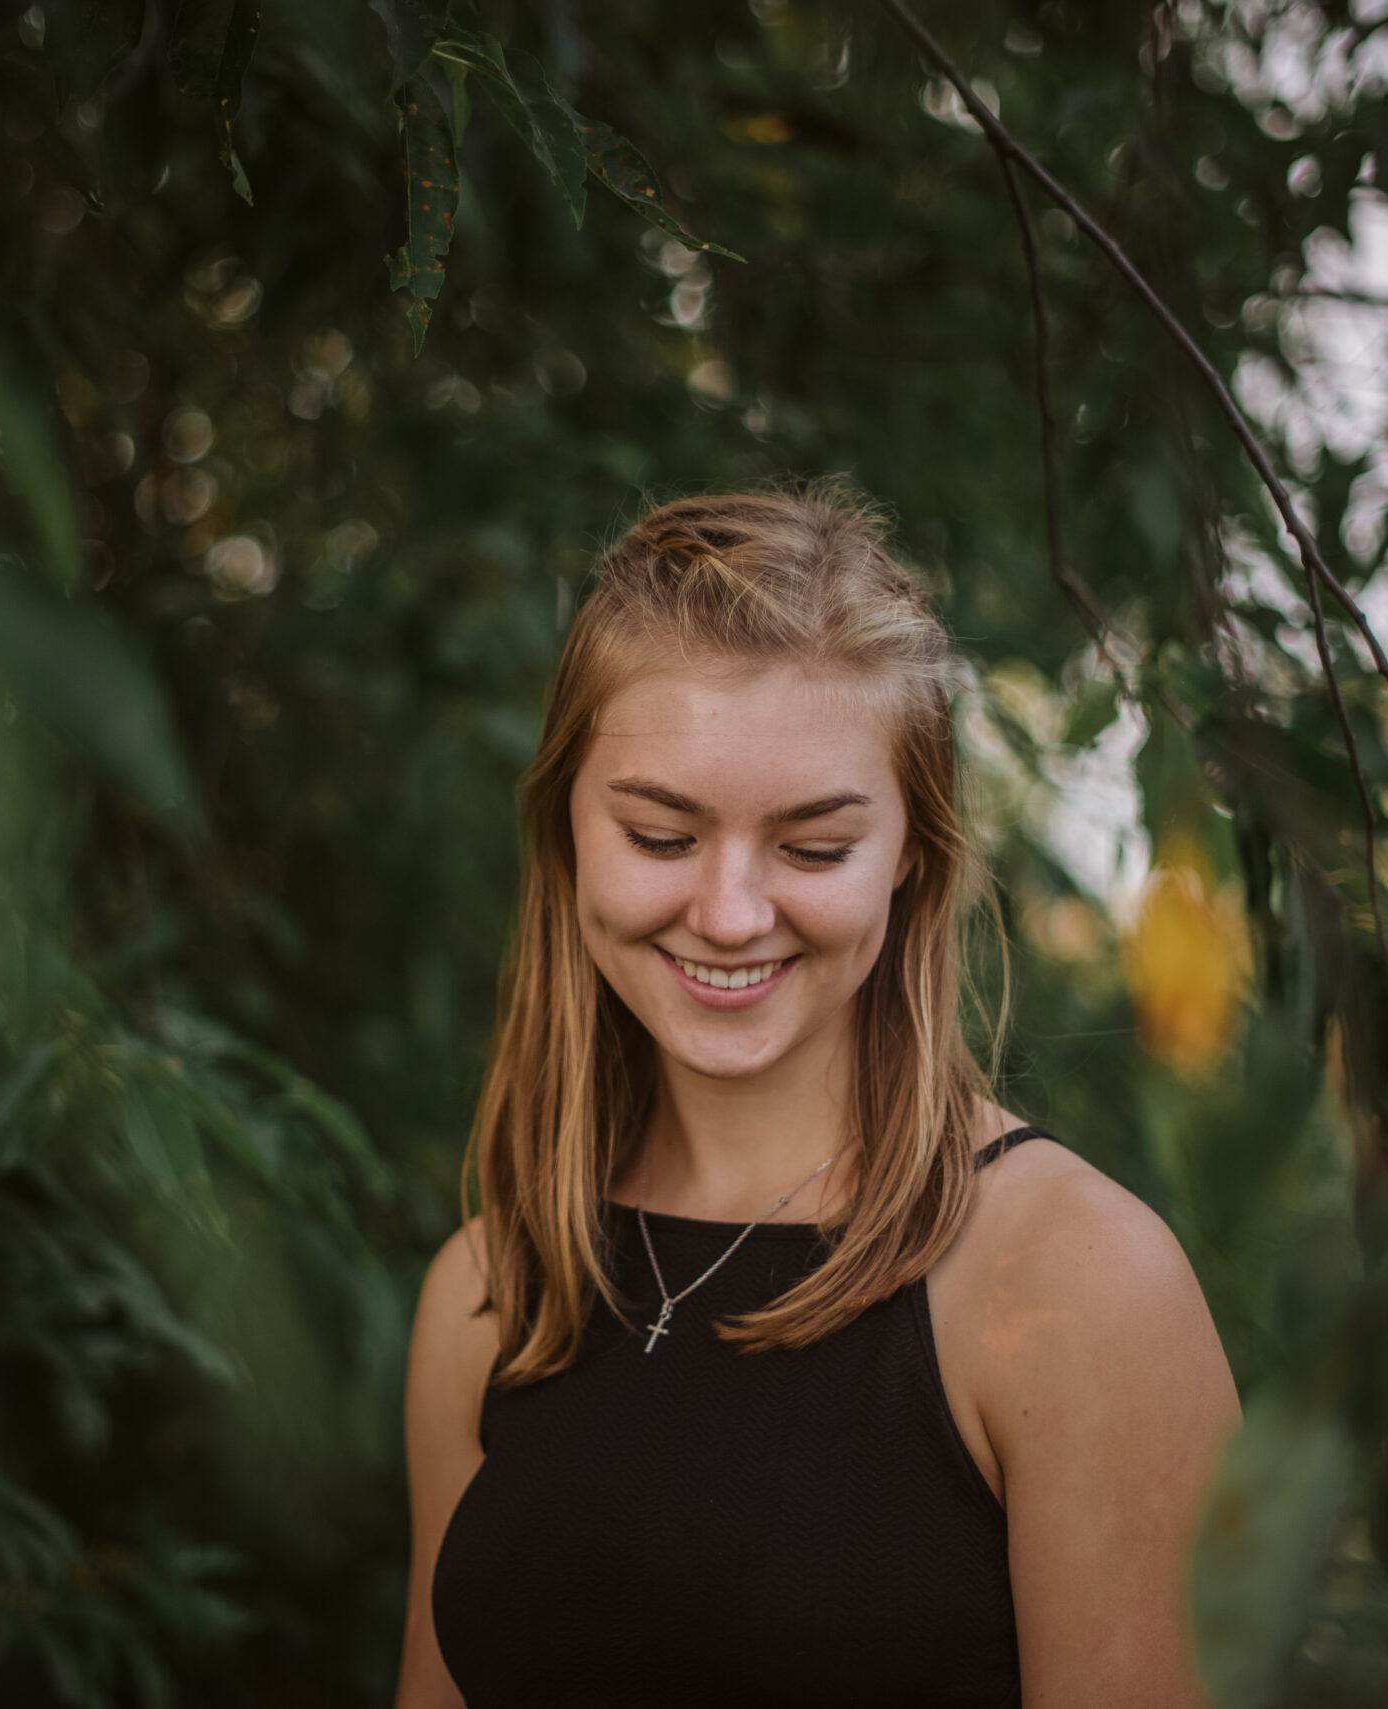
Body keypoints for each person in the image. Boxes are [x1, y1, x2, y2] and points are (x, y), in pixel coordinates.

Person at [395, 487, 1239, 1708]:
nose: (731, 913)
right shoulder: (489, 1289)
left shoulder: (1079, 1281)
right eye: (660, 834)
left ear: (912, 854)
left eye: (812, 847)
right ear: (568, 826)